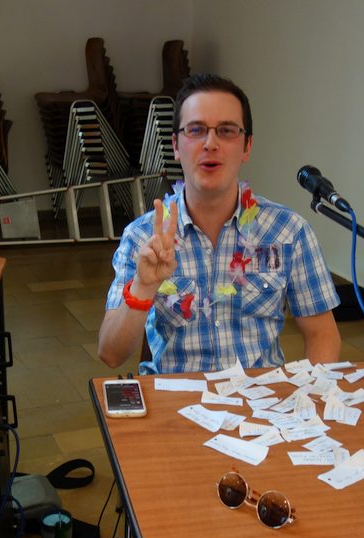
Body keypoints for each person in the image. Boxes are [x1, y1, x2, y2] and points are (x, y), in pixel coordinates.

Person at [97, 74, 341, 374]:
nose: (210, 143)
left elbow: (322, 335)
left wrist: (311, 394)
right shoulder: (141, 237)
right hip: (175, 396)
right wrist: (143, 286)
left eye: (226, 131)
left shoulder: (288, 231)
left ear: (247, 146)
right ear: (176, 146)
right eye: (196, 130)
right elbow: (110, 354)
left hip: (260, 398)